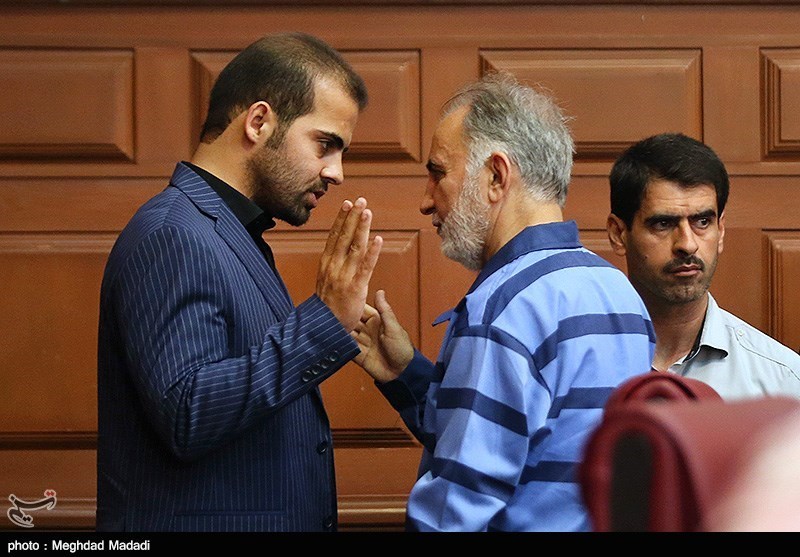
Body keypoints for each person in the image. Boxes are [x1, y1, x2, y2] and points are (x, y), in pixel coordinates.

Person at [96, 32, 382, 532]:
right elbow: (188, 413)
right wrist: (323, 322)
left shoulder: (229, 232)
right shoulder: (173, 233)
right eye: (325, 144)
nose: (337, 173)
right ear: (258, 122)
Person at [351, 73, 656, 531]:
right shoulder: (619, 292)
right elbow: (531, 444)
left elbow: (455, 509)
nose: (426, 201)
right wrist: (403, 372)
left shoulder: (503, 306)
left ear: (496, 175)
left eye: (438, 173)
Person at [607, 132, 800, 401]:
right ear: (618, 234)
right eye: (663, 224)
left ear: (721, 230)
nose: (687, 245)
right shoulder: (573, 363)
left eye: (702, 222)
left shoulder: (783, 382)